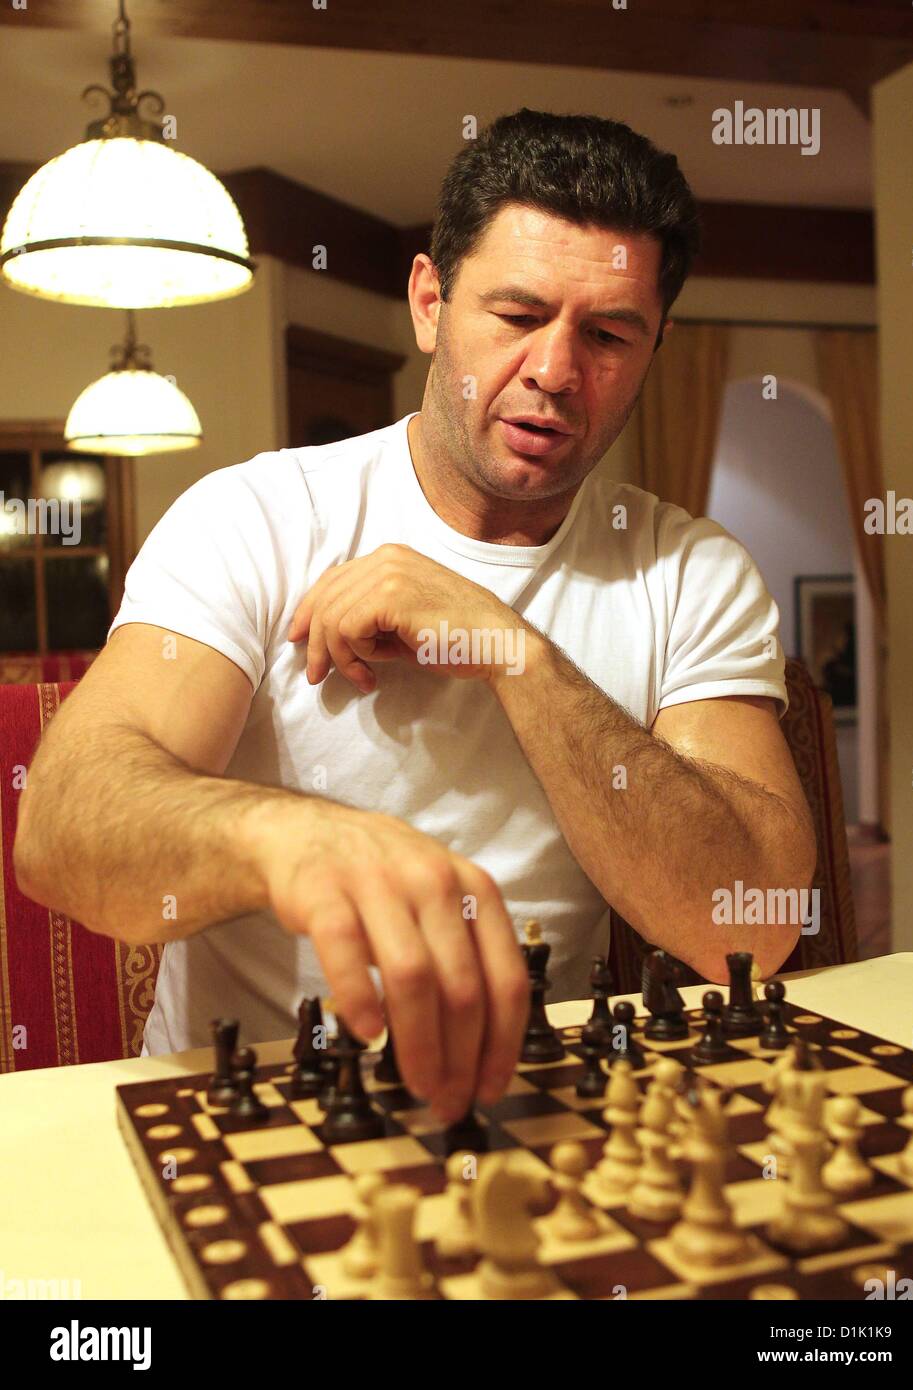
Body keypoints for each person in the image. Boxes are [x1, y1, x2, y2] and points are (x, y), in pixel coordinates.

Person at [14, 109, 815, 1124]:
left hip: (526, 1108)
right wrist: (291, 838)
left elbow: (753, 922)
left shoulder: (691, 569)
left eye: (609, 334)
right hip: (252, 1108)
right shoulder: (254, 515)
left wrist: (512, 649)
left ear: (658, 343)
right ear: (430, 302)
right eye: (518, 316)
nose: (557, 373)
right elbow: (62, 824)